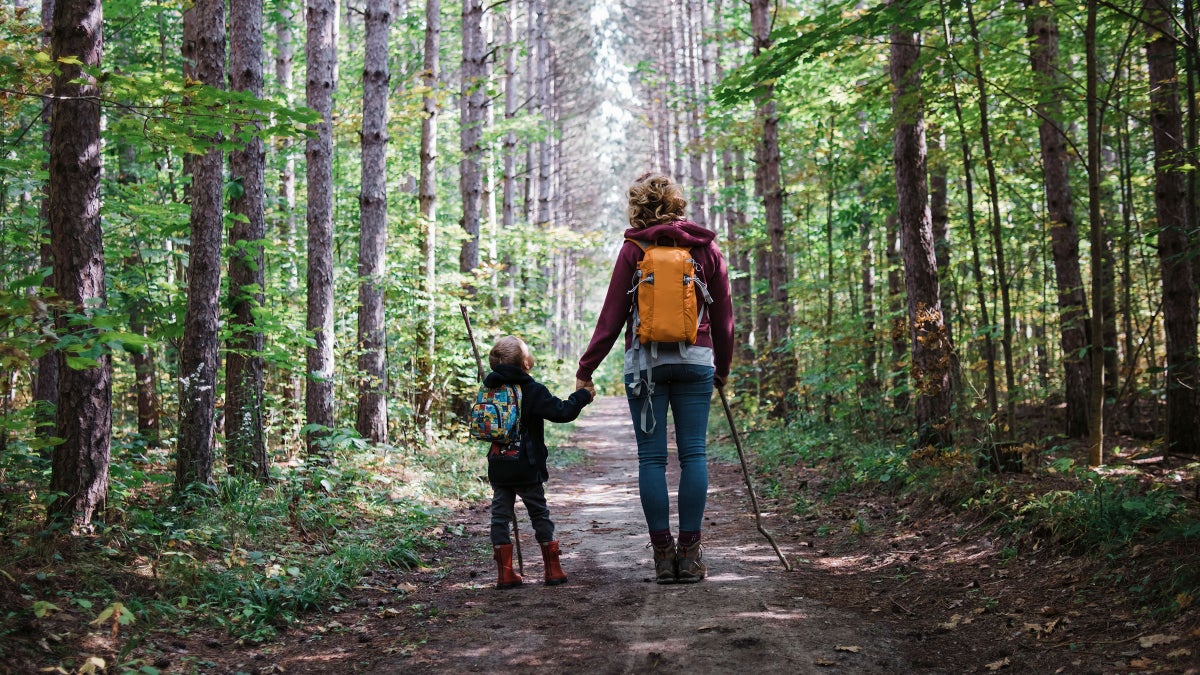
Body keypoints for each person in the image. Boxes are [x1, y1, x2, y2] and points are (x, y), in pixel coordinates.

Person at [575, 173, 733, 584]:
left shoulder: (634, 250)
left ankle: (663, 556)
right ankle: (691, 553)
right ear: (678, 203)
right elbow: (724, 319)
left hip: (644, 363)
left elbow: (610, 318)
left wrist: (585, 370)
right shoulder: (705, 248)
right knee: (693, 454)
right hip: (697, 360)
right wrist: (723, 369)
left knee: (652, 459)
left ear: (638, 206)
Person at [484, 335, 595, 589]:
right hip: (527, 467)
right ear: (525, 364)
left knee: (500, 517)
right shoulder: (532, 391)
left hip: (499, 466)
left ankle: (505, 573)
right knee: (539, 514)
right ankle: (553, 570)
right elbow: (562, 412)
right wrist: (582, 396)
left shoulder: (489, 389)